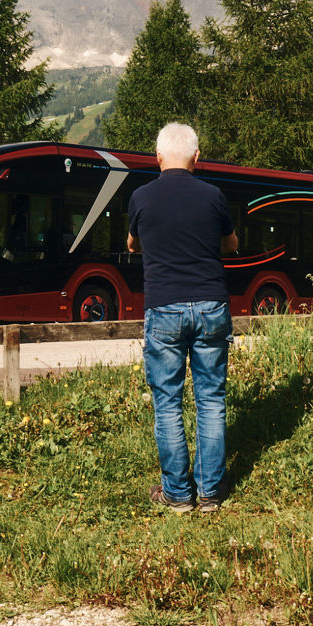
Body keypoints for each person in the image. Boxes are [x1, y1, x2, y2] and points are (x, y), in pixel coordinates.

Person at [127, 123, 238, 514]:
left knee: (168, 402)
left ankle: (177, 495)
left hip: (165, 308)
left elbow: (133, 243)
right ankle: (209, 493)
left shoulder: (141, 197)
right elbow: (231, 244)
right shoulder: (213, 196)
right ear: (197, 157)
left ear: (157, 158)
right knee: (210, 399)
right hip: (210, 305)